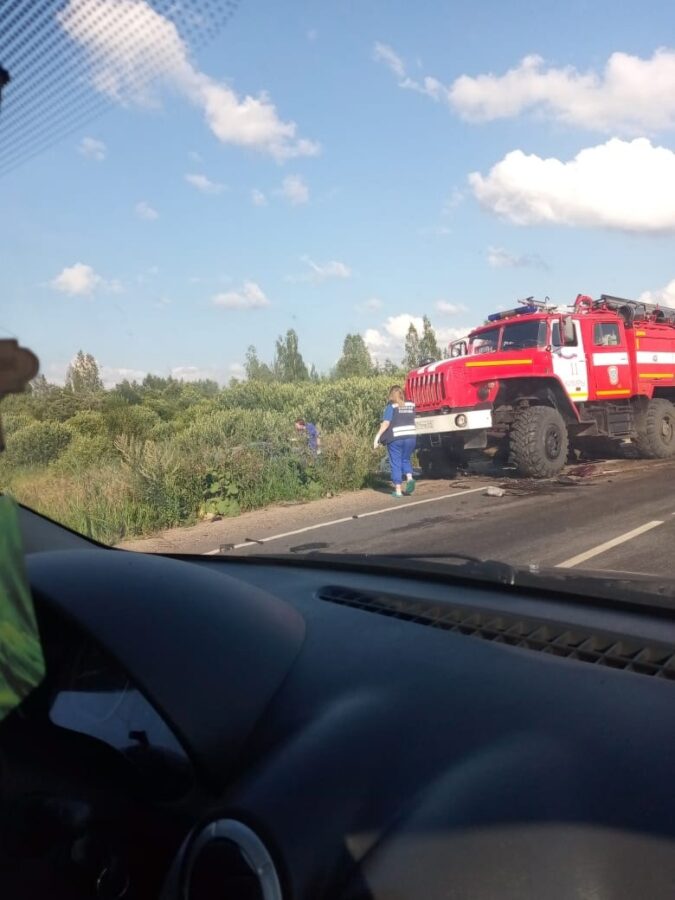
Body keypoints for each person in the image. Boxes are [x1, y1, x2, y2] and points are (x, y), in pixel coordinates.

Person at [373, 385, 416, 498]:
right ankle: (410, 478)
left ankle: (398, 491)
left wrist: (377, 437)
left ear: (391, 395)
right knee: (405, 459)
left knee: (396, 462)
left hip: (396, 439)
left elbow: (386, 424)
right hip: (411, 437)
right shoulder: (411, 404)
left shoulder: (391, 406)